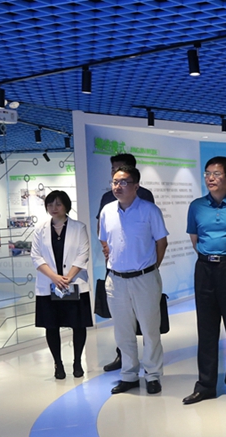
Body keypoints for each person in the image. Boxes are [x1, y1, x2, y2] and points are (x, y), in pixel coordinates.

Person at [182, 157, 226, 405]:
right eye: (207, 173)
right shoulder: (196, 206)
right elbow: (195, 239)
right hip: (204, 269)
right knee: (206, 328)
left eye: (216, 173)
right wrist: (210, 257)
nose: (210, 178)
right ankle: (205, 385)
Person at [99, 166, 169, 395]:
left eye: (123, 182)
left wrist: (151, 268)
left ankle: (153, 374)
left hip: (144, 278)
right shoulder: (107, 211)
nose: (117, 186)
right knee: (123, 331)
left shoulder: (149, 210)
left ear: (136, 186)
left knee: (150, 330)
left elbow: (161, 243)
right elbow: (104, 240)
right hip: (116, 280)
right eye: (114, 182)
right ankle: (128, 375)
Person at [97, 153, 155, 373]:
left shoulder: (145, 197)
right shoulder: (106, 199)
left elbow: (157, 237)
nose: (116, 175)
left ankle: (151, 370)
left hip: (142, 270)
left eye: (120, 169)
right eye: (113, 170)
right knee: (121, 322)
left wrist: (152, 266)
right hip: (116, 269)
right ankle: (126, 363)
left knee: (148, 324)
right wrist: (106, 248)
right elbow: (101, 229)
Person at [31, 190, 92, 379]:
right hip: (49, 285)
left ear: (66, 205)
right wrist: (54, 278)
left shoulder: (78, 227)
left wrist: (67, 277)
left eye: (58, 204)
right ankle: (58, 363)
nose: (54, 208)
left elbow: (83, 254)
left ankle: (77, 362)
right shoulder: (40, 229)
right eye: (50, 204)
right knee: (51, 326)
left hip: (74, 283)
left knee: (78, 325)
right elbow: (36, 256)